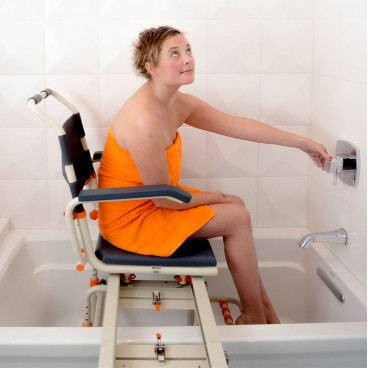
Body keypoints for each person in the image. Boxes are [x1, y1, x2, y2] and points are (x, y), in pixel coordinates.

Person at [98, 26, 330, 325]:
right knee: (237, 216)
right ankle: (254, 316)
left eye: (188, 50)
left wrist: (302, 143)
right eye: (175, 54)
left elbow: (239, 126)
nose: (187, 59)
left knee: (236, 203)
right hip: (133, 218)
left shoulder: (175, 102)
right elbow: (164, 199)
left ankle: (263, 310)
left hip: (152, 202)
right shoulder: (144, 119)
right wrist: (209, 197)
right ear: (150, 67)